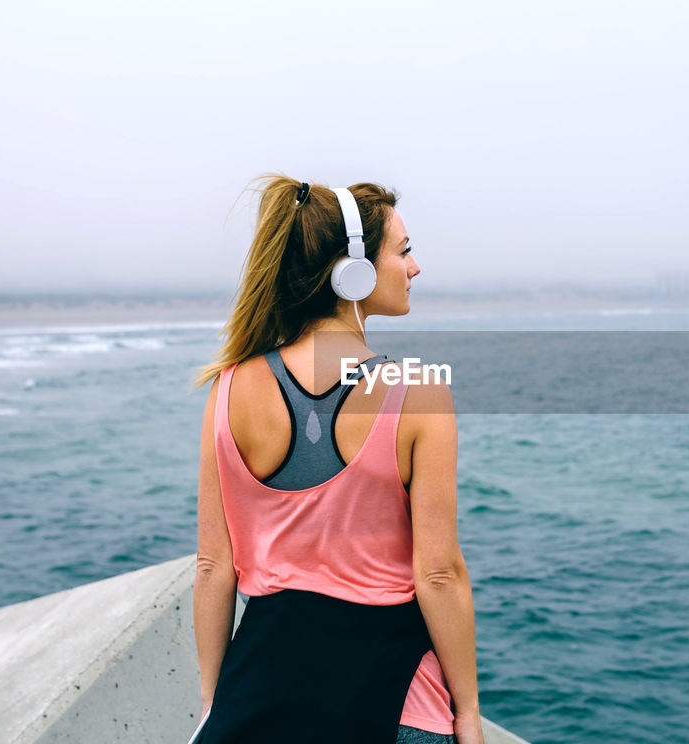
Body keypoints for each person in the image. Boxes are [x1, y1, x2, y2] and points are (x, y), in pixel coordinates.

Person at [190, 175, 483, 743]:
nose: (416, 268)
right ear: (355, 272)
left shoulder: (227, 389)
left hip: (260, 700)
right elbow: (439, 573)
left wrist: (214, 703)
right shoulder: (418, 394)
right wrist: (467, 713)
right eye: (403, 252)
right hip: (397, 705)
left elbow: (211, 566)